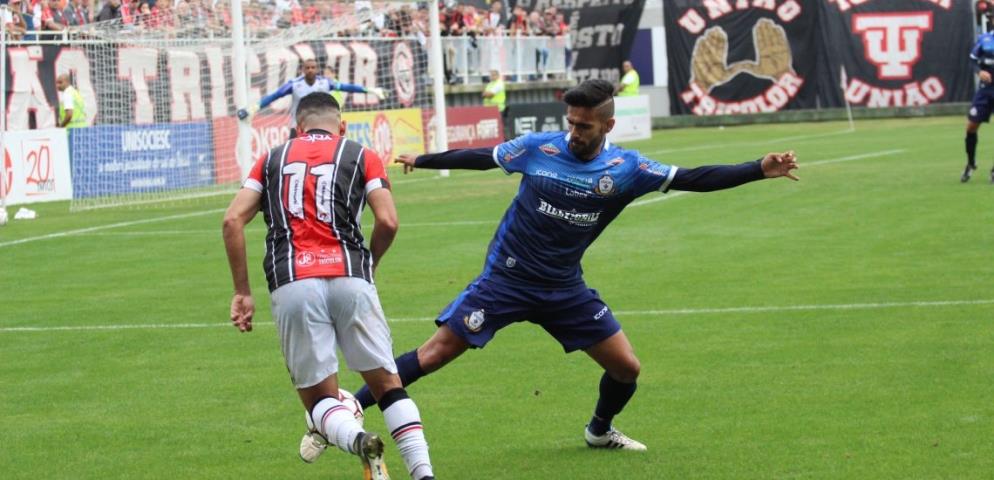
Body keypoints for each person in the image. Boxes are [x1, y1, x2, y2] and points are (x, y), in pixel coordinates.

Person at [352, 79, 799, 451]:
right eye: (571, 123)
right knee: (435, 353)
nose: (575, 132)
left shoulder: (627, 166)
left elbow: (692, 178)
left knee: (627, 369)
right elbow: (483, 157)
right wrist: (424, 159)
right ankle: (348, 409)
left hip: (564, 289)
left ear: (608, 124)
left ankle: (599, 431)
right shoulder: (538, 149)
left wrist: (757, 168)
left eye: (584, 126)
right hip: (506, 280)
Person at [223, 92, 436, 480]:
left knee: (320, 401)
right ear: (341, 126)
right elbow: (388, 222)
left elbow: (232, 220)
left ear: (297, 128)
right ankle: (423, 474)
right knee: (388, 386)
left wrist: (243, 291)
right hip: (351, 277)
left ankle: (358, 441)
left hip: (293, 283)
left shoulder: (271, 158)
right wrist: (368, 263)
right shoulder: (361, 154)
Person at [236, 58, 386, 138]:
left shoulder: (325, 83)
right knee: (293, 156)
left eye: (313, 67)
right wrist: (253, 108)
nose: (310, 70)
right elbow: (274, 96)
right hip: (298, 127)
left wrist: (371, 90)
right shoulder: (294, 85)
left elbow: (348, 87)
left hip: (321, 127)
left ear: (317, 69)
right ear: (303, 69)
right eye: (307, 68)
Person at [963, 32, 994, 183]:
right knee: (971, 126)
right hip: (985, 90)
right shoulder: (985, 39)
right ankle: (971, 163)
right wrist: (979, 71)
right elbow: (973, 59)